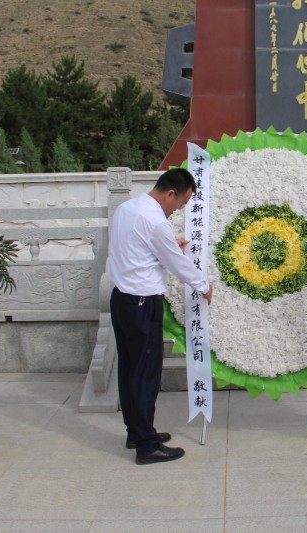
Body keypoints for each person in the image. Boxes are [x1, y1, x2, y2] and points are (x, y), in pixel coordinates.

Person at [108, 167, 213, 465]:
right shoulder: (156, 222)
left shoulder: (127, 208)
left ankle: (136, 431)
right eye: (180, 203)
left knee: (129, 369)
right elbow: (178, 264)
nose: (177, 209)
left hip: (121, 299)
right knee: (145, 374)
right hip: (142, 304)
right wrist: (204, 286)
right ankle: (146, 446)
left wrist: (167, 245)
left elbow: (134, 247)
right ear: (170, 193)